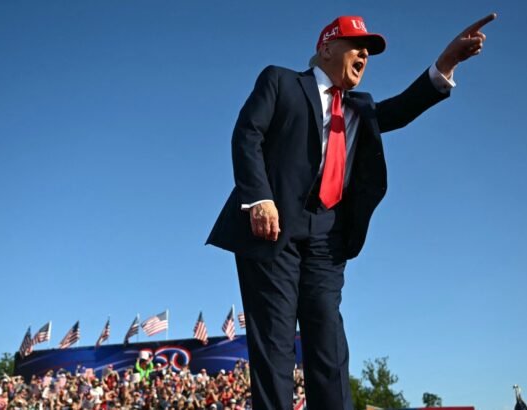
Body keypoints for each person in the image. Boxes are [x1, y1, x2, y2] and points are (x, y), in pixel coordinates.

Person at [207, 13, 496, 410]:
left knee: (329, 344)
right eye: (357, 46)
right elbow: (247, 133)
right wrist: (259, 198)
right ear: (327, 48)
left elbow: (403, 108)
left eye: (369, 51)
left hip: (327, 238)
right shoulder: (281, 81)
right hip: (273, 228)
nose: (364, 55)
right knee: (275, 343)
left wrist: (447, 61)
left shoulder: (361, 108)